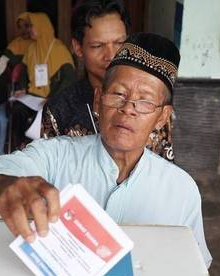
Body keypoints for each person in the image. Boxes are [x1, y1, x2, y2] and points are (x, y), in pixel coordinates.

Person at [0, 33, 211, 268]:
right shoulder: (56, 157)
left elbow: (193, 268)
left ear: (162, 117)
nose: (128, 109)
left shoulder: (181, 191)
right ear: (98, 100)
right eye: (118, 94)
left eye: (144, 101)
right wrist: (0, 183)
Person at [41, 0, 175, 161]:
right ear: (78, 48)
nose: (111, 55)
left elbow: (164, 167)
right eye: (98, 46)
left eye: (120, 43)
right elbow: (50, 169)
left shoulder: (153, 106)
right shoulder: (59, 108)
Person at [0, 12, 76, 151]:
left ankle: (33, 147)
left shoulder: (59, 49)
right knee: (17, 110)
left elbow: (69, 80)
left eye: (32, 26)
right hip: (33, 96)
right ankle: (20, 144)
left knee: (44, 114)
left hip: (51, 97)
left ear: (42, 27)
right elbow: (23, 71)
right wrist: (22, 87)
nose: (29, 30)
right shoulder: (31, 48)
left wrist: (51, 98)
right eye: (28, 26)